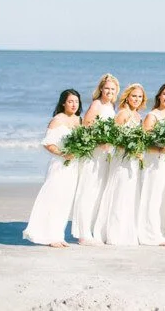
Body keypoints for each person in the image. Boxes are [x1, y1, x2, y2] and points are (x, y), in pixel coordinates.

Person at [23, 89, 83, 247]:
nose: (74, 104)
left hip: (74, 166)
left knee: (65, 200)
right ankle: (49, 236)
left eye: (76, 101)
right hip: (59, 164)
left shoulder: (79, 120)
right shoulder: (57, 120)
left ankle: (58, 235)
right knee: (54, 197)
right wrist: (63, 154)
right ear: (63, 103)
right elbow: (48, 143)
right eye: (70, 101)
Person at [94, 83, 146, 245]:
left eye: (139, 97)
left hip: (133, 160)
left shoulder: (138, 116)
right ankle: (114, 233)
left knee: (130, 194)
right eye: (134, 96)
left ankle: (126, 231)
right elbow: (114, 139)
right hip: (122, 159)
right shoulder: (122, 114)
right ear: (127, 97)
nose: (136, 99)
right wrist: (130, 149)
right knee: (119, 193)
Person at [73, 73, 119, 245]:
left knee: (98, 192)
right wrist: (100, 142)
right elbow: (86, 126)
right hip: (94, 154)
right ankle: (83, 234)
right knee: (88, 191)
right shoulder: (96, 104)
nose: (109, 91)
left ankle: (91, 230)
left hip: (105, 155)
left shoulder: (111, 105)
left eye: (112, 89)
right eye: (106, 88)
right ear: (101, 89)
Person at [137, 83, 165, 246]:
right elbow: (144, 142)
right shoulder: (152, 116)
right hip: (154, 161)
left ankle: (160, 230)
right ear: (159, 96)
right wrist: (160, 148)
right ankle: (150, 234)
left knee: (164, 197)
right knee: (152, 196)